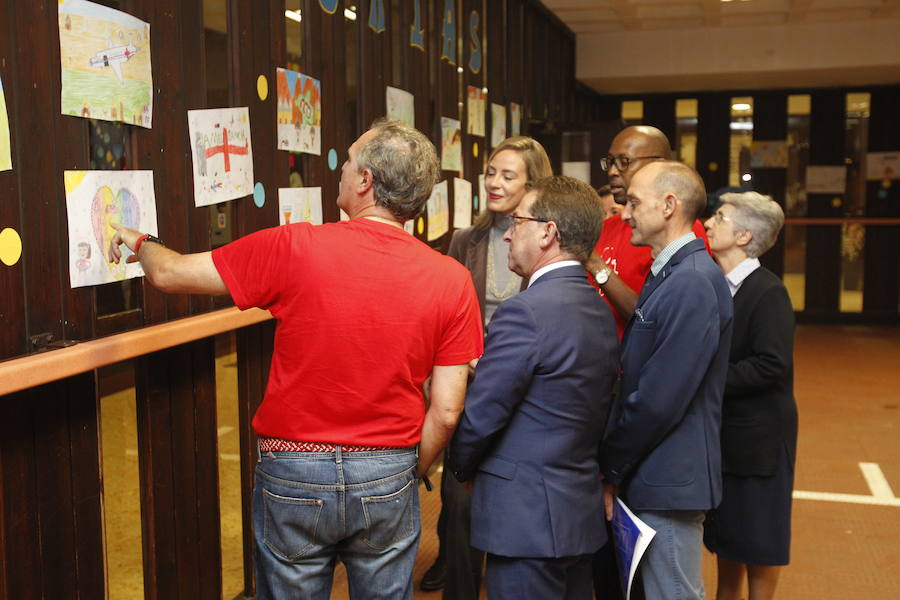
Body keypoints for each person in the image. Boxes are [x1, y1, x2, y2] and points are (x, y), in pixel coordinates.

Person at [108, 119, 485, 600]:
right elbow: (448, 410)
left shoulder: (296, 247)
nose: (342, 170)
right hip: (387, 469)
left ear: (366, 181)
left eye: (348, 162)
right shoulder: (451, 278)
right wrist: (408, 470)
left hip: (295, 471)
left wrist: (140, 241)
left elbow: (170, 273)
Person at [449, 175, 618, 599]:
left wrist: (463, 469)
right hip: (576, 510)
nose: (507, 234)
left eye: (518, 221)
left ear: (548, 232)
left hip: (526, 517)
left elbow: (484, 413)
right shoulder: (597, 308)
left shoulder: (525, 312)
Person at [421, 135, 553, 597]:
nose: (494, 183)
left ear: (533, 183)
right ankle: (458, 575)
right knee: (458, 498)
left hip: (526, 388)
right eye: (491, 173)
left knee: (509, 496)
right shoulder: (465, 239)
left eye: (508, 175)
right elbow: (448, 310)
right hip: (471, 382)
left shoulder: (546, 238)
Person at [597, 161, 733, 600]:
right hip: (656, 474)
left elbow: (658, 400)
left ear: (669, 205)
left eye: (635, 202)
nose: (626, 212)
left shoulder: (691, 282)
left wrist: (610, 465)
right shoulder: (671, 273)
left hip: (667, 480)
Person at [702, 192, 797, 600]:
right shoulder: (717, 283)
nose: (708, 223)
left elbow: (769, 365)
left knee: (759, 539)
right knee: (728, 536)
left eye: (719, 218)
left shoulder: (767, 292)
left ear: (743, 235)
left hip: (758, 440)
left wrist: (704, 379)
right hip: (727, 433)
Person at [587, 125, 709, 339]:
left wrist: (596, 265)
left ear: (658, 164)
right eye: (610, 161)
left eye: (624, 162)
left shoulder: (681, 231)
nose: (612, 171)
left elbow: (653, 318)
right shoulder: (606, 226)